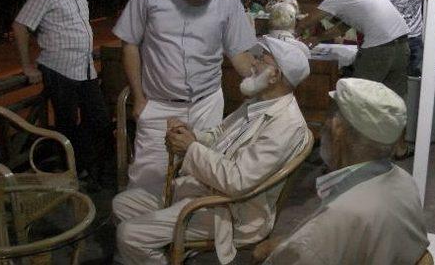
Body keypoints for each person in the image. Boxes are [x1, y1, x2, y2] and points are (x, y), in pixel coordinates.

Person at [113, 37, 313, 265]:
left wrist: (190, 148)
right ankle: (167, 253)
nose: (253, 63)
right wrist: (190, 135)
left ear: (275, 75)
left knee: (129, 235)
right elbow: (219, 133)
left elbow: (237, 181)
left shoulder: (286, 125)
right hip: (209, 191)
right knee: (121, 205)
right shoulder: (258, 102)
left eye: (260, 59)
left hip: (233, 212)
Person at [113, 0, 256, 194]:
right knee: (148, 179)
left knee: (200, 176)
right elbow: (130, 44)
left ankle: (182, 228)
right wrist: (138, 98)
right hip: (159, 104)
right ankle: (140, 229)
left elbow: (238, 53)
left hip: (207, 103)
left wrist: (262, 83)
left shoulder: (227, 0)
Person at [254, 78, 429, 265]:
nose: (324, 125)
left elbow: (314, 245)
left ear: (337, 129)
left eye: (329, 117)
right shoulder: (406, 183)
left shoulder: (330, 225)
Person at [11, 0, 112, 184]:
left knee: (99, 119)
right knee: (66, 125)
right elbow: (20, 25)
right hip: (59, 69)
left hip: (85, 68)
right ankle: (75, 173)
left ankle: (89, 167)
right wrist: (26, 65)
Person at [299, 0, 410, 97]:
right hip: (402, 44)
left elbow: (308, 21)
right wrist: (318, 38)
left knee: (358, 96)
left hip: (380, 48)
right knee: (394, 99)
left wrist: (292, 33)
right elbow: (343, 27)